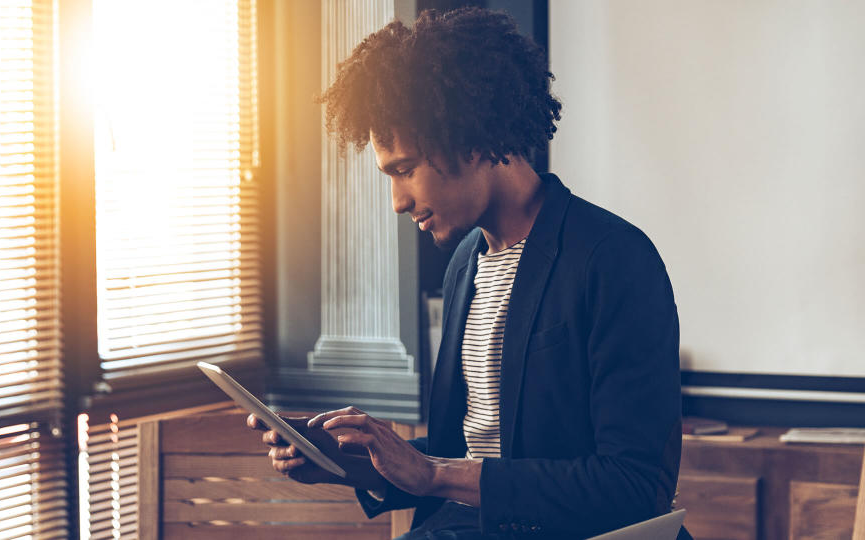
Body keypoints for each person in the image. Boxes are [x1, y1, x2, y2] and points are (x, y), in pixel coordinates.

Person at [248, 7, 691, 539]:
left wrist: (434, 472)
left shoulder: (613, 258)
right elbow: (467, 458)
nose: (397, 201)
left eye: (404, 170)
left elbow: (634, 486)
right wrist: (352, 464)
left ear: (472, 140)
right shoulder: (465, 265)